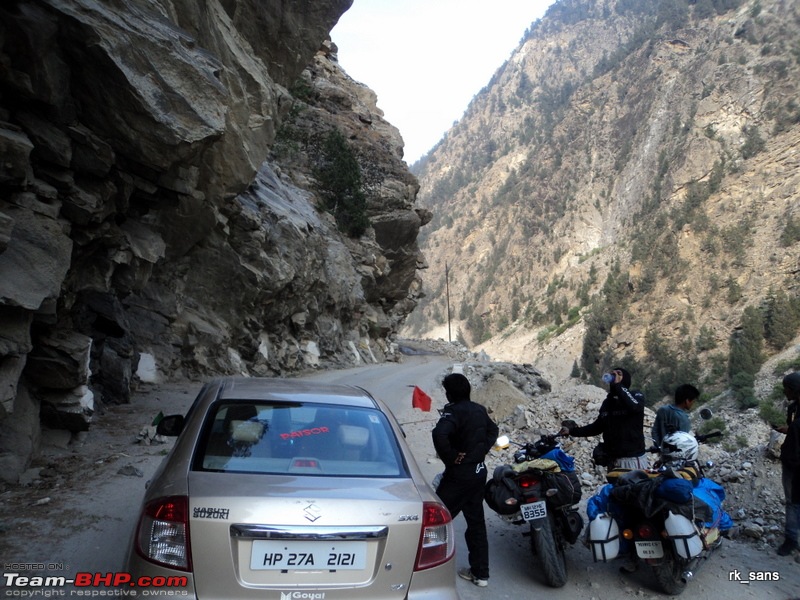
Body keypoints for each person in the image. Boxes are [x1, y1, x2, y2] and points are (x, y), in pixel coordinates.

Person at [432, 373, 499, 587]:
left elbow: (439, 435)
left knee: (435, 520)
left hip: (459, 476)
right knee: (476, 523)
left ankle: (420, 569)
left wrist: (453, 457)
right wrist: (478, 452)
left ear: (450, 393)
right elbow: (493, 430)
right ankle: (481, 575)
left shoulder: (452, 412)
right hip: (479, 472)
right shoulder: (479, 409)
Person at [560, 367, 647, 470]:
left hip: (632, 459)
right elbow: (597, 427)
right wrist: (572, 431)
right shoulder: (608, 402)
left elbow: (635, 407)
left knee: (635, 486)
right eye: (612, 374)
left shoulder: (636, 395)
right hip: (613, 460)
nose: (613, 375)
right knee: (614, 486)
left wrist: (619, 385)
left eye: (618, 374)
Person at [777, 371, 800, 556]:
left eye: (786, 389)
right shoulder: (793, 409)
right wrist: (788, 430)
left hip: (794, 464)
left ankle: (791, 539)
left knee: (793, 502)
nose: (785, 392)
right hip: (792, 462)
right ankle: (792, 538)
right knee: (793, 501)